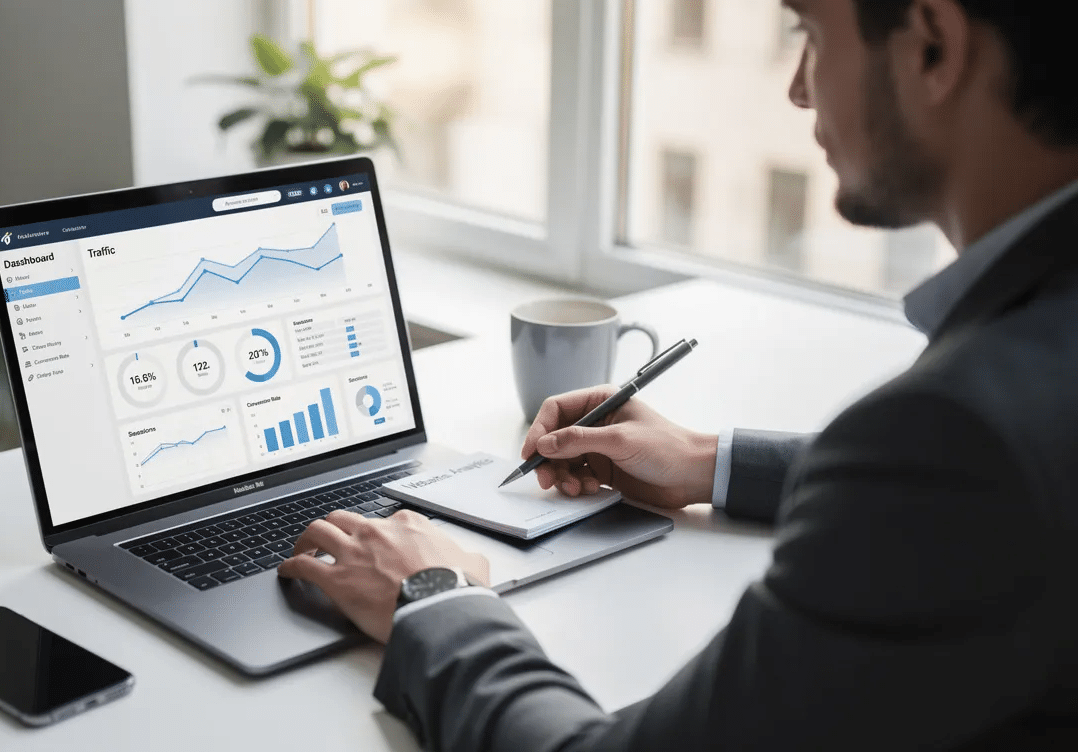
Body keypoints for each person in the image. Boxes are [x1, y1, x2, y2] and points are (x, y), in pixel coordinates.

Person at [277, 0, 1078, 747]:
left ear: (932, 46)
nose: (799, 91)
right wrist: (706, 461)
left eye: (810, 33)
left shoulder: (956, 435)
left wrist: (437, 597)